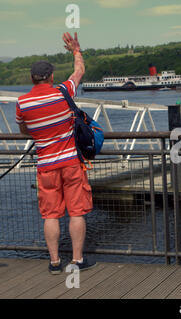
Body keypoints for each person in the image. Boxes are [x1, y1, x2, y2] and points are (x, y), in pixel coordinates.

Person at [16, 32, 96, 274]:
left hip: (46, 166)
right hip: (71, 162)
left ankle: (54, 262)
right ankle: (77, 260)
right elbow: (79, 71)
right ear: (51, 77)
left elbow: (24, 130)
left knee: (50, 215)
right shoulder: (63, 91)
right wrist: (76, 51)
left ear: (32, 78)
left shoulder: (22, 103)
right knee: (76, 212)